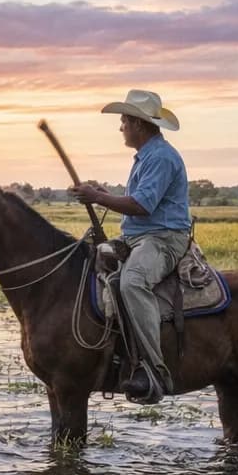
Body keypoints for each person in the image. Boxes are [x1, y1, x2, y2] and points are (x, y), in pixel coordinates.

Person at [68, 89, 190, 404]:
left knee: (134, 281)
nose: (120, 127)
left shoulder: (161, 157)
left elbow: (142, 205)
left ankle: (154, 368)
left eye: (124, 121)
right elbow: (136, 200)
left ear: (138, 124)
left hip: (163, 239)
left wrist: (97, 197)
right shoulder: (146, 157)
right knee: (87, 260)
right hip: (138, 236)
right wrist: (104, 192)